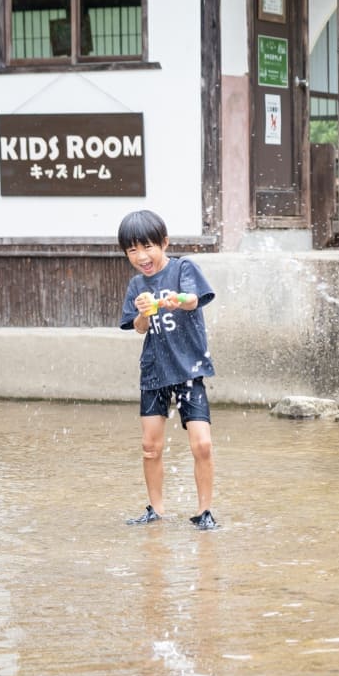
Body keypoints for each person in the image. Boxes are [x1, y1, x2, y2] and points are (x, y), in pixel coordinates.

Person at [118, 209, 219, 530]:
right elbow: (137, 328)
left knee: (202, 444)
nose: (141, 256)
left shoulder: (183, 267)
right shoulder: (137, 285)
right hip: (154, 372)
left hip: (189, 368)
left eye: (147, 247)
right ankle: (156, 510)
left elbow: (193, 300)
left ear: (164, 243)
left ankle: (204, 512)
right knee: (150, 448)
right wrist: (145, 312)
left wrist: (177, 299)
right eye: (132, 250)